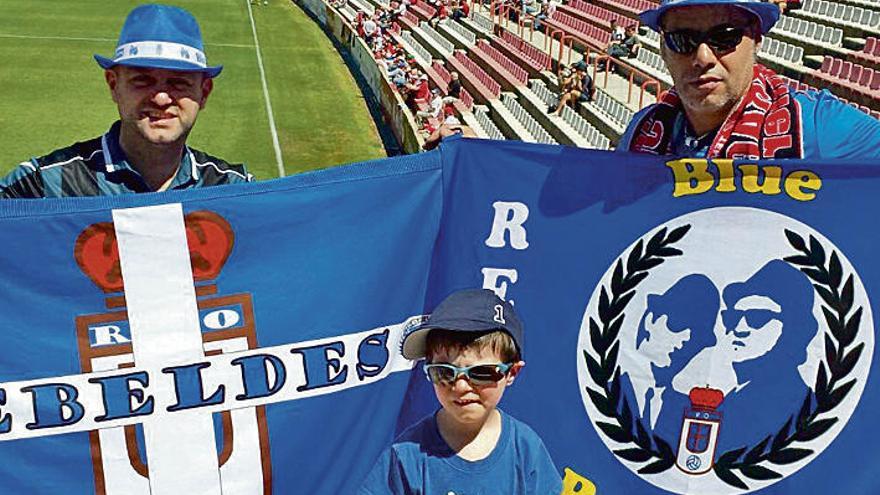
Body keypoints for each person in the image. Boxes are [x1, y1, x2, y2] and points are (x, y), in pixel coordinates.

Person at [1, 4, 252, 198]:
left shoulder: (233, 190)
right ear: (114, 85)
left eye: (178, 82)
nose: (162, 98)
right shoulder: (41, 185)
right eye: (142, 80)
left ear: (204, 92)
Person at [359, 289, 563, 494]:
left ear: (512, 372)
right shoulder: (406, 455)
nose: (461, 387)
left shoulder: (526, 450)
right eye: (443, 372)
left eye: (481, 373)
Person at [618, 0, 880, 158]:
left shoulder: (815, 125)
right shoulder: (641, 130)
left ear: (756, 40)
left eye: (724, 37)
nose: (703, 57)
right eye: (682, 40)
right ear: (663, 50)